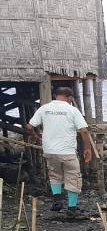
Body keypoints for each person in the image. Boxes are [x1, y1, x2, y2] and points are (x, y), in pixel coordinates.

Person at [26, 87, 93, 219]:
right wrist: (88, 149)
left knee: (55, 175)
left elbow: (29, 126)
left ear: (54, 96)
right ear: (70, 98)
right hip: (67, 151)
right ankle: (72, 208)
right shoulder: (72, 110)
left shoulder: (44, 108)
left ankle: (57, 201)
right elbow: (84, 131)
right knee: (73, 178)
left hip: (49, 151)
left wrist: (34, 135)